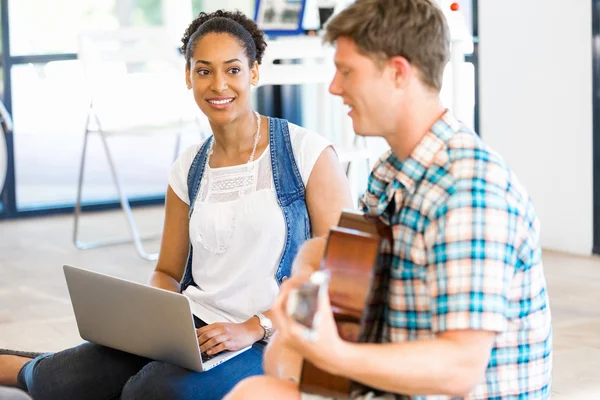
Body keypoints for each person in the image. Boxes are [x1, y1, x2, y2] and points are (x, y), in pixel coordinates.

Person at [0, 10, 353, 400]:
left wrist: (257, 326)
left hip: (271, 335)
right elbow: (168, 271)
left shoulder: (308, 154)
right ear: (188, 76)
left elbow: (338, 274)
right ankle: (27, 367)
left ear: (254, 72)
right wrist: (162, 325)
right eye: (204, 71)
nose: (219, 84)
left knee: (153, 391)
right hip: (196, 327)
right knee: (62, 381)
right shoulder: (188, 167)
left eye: (233, 70)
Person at [225, 0, 553, 399]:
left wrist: (334, 354)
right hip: (394, 380)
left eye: (347, 71)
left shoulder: (468, 190)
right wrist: (311, 268)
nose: (334, 87)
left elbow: (459, 368)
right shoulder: (390, 170)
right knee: (265, 379)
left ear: (398, 73)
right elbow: (352, 263)